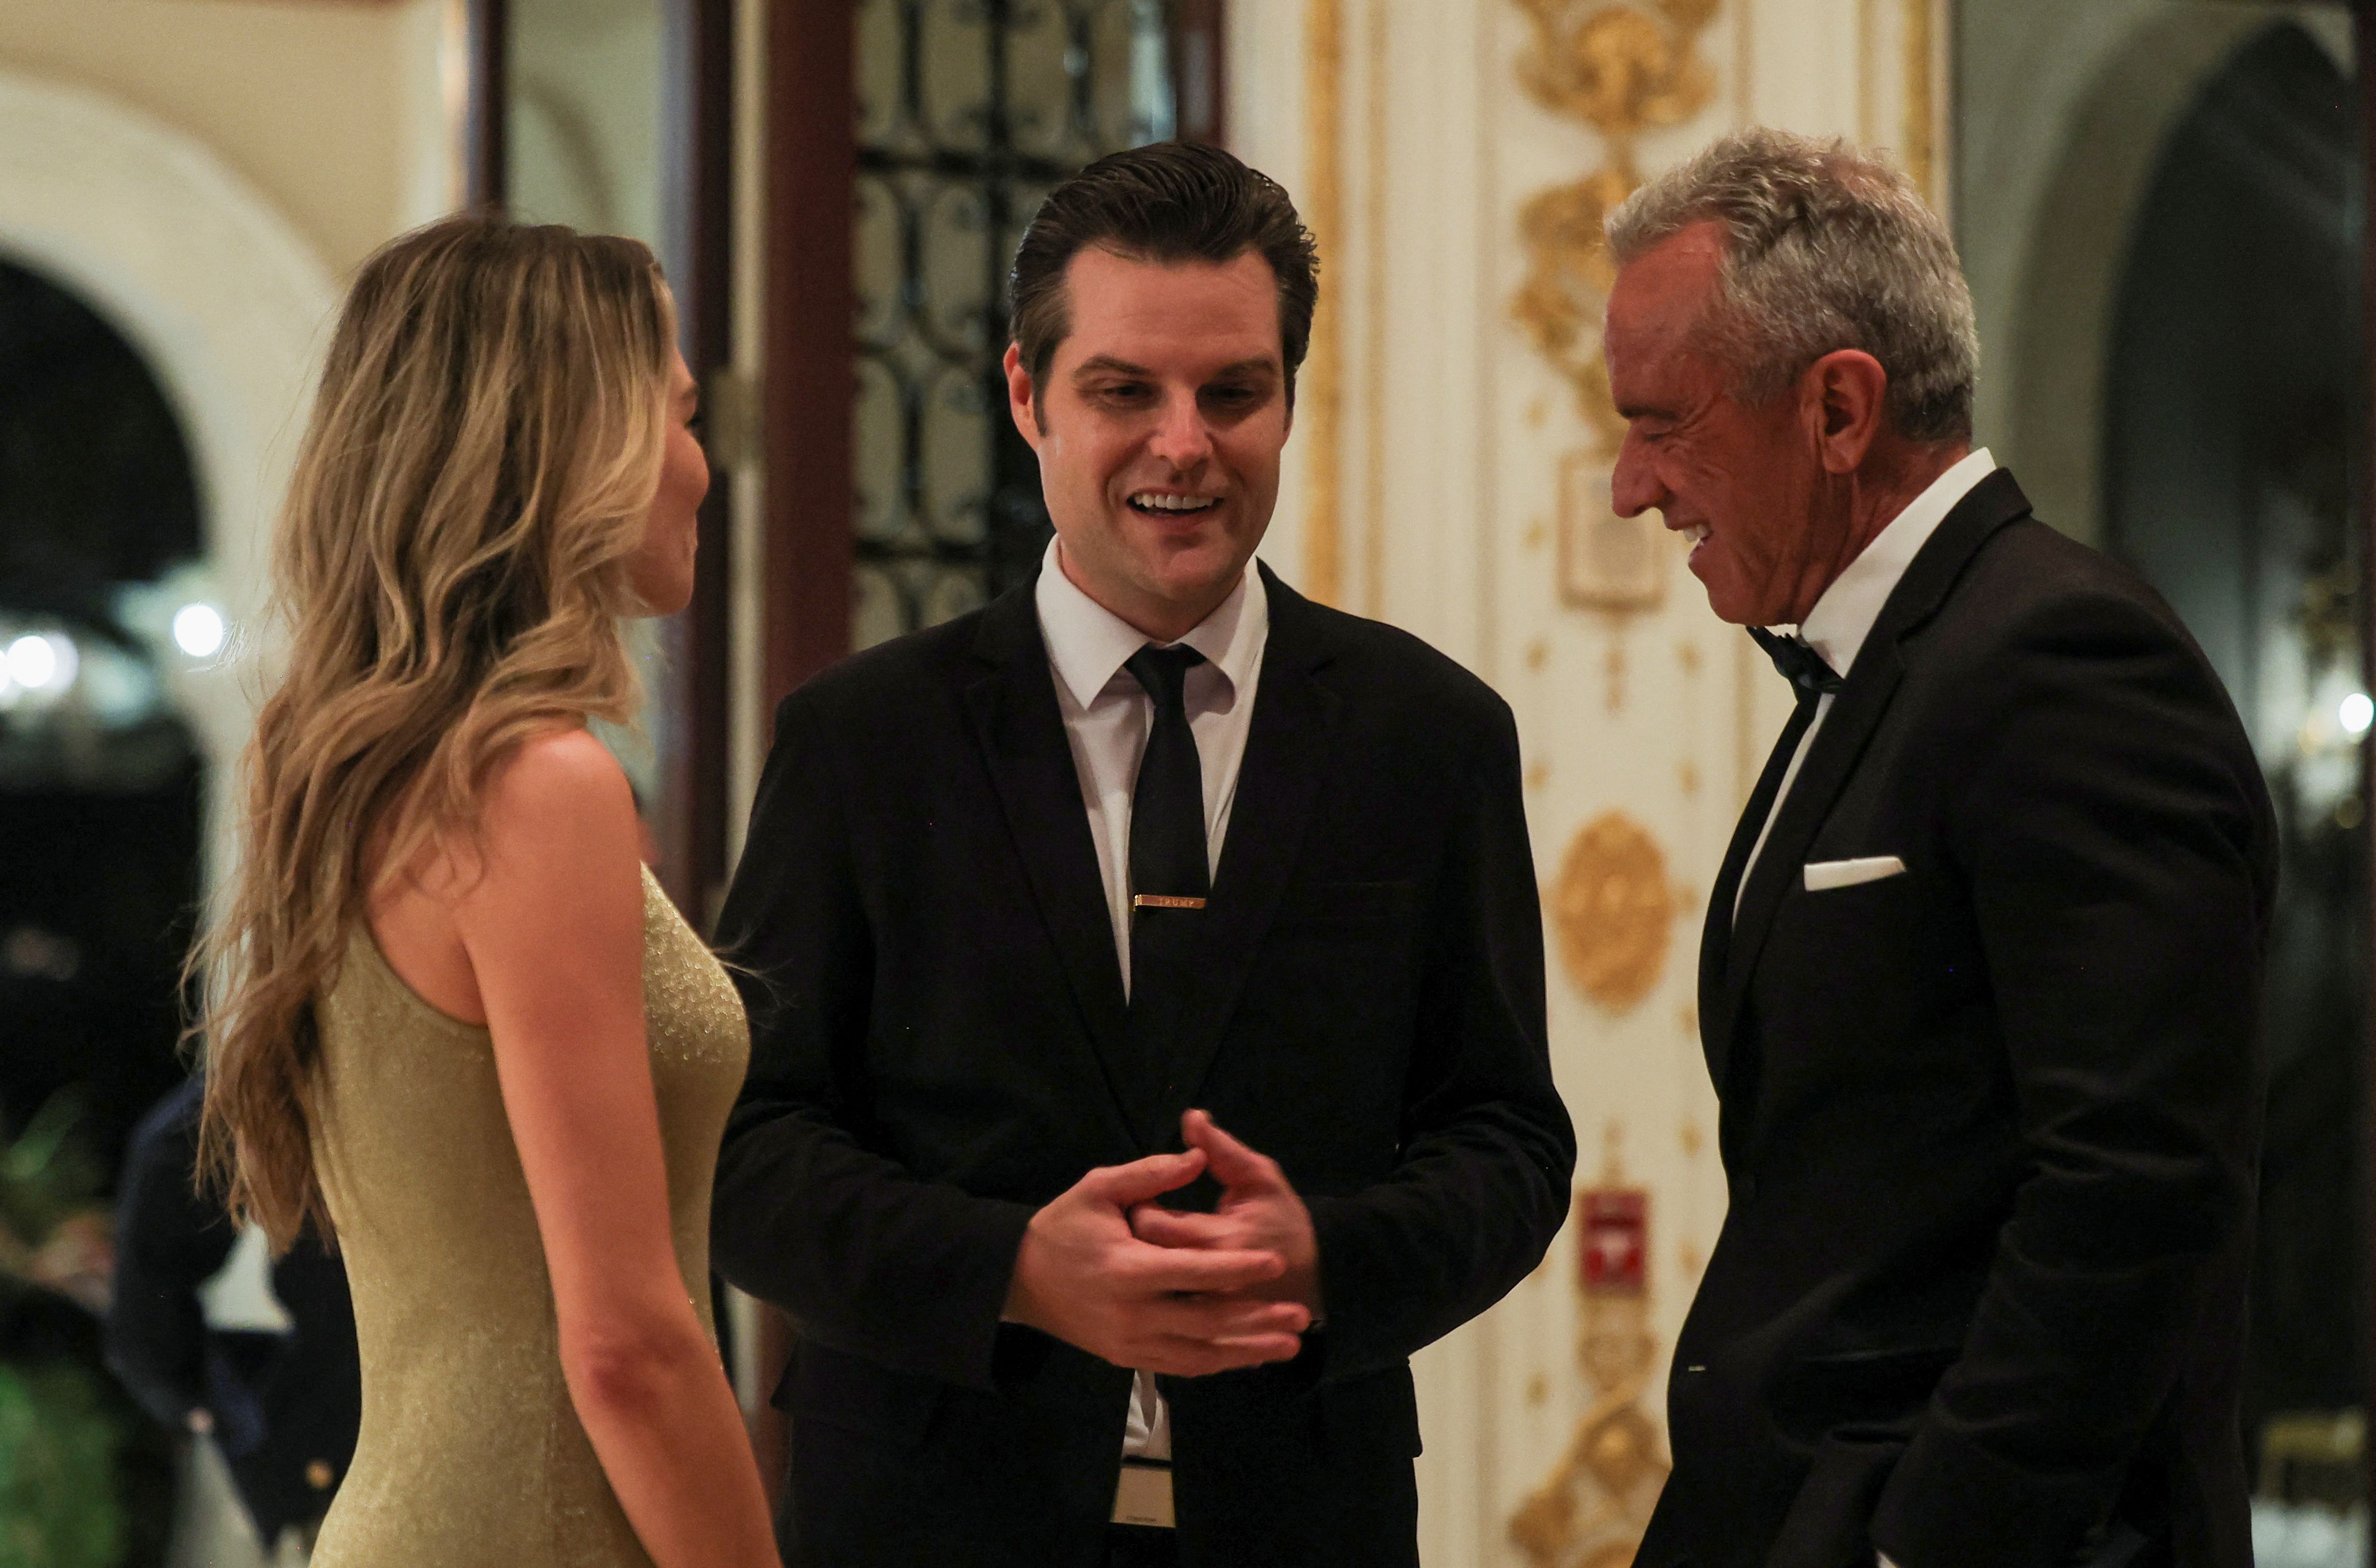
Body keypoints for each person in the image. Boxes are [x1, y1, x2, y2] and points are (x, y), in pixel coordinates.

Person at [710, 141, 1576, 1568]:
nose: (1183, 443)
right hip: (927, 1526)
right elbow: (747, 1157)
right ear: (1022, 396)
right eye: (1124, 391)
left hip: (1301, 1518)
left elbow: (1505, 1143)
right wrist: (1012, 1276)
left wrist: (1324, 1257)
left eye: (1231, 391)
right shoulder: (860, 741)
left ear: (1287, 400)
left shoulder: (1427, 738)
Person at [1601, 129, 2277, 1568]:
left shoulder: (2055, 658)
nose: (1628, 486)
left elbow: (2132, 1185)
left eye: (1660, 425)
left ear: (1835, 410)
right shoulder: (1907, 659)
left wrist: (1926, 1544)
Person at [189, 215, 775, 1568]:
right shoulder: (536, 785)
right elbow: (626, 1343)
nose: (700, 467)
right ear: (580, 444)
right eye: (679, 414)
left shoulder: (373, 774)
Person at [108, 1074, 361, 1558]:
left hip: (315, 1451)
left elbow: (144, 1344)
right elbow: (145, 1343)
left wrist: (215, 1414)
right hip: (339, 1435)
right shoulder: (214, 1120)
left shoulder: (211, 1115)